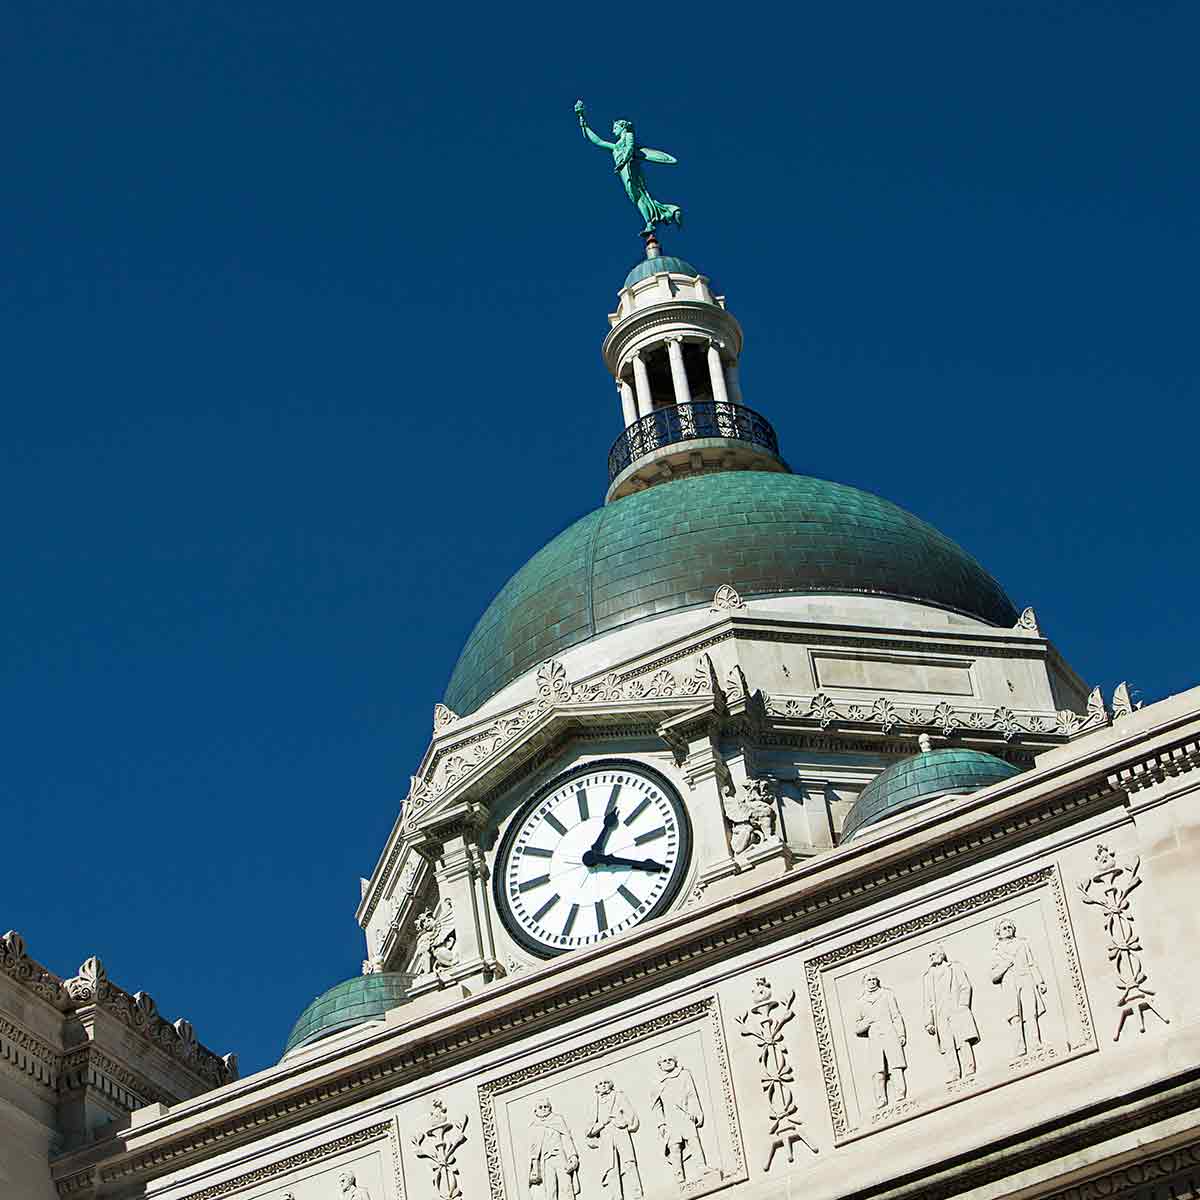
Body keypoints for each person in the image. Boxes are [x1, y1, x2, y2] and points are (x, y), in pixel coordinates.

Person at [574, 101, 683, 235]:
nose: (613, 130)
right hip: (623, 171)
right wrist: (583, 122)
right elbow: (598, 141)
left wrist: (623, 162)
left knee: (640, 194)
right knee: (637, 197)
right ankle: (659, 217)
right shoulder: (615, 147)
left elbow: (630, 149)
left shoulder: (628, 135)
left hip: (629, 167)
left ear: (622, 127)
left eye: (615, 127)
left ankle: (664, 213)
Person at [990, 918, 1047, 1057]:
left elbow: (1032, 963)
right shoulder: (996, 950)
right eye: (1004, 928)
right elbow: (994, 976)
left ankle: (1036, 1043)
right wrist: (1005, 965)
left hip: (1026, 979)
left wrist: (1040, 982)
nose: (1008, 929)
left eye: (1010, 927)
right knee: (1015, 1017)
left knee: (1031, 1014)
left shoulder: (1022, 943)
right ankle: (1020, 1048)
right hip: (1009, 983)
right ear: (998, 932)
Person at [922, 946, 980, 1081]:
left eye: (934, 953)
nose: (932, 957)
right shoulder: (928, 976)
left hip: (956, 1010)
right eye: (930, 955)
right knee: (948, 1044)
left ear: (942, 954)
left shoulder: (954, 967)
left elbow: (965, 986)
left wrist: (963, 1005)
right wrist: (929, 1022)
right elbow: (927, 1001)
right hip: (940, 1014)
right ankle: (954, 1073)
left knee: (963, 1041)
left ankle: (969, 1068)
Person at [853, 972, 907, 1109]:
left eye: (874, 979)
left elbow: (896, 1015)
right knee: (877, 1071)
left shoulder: (887, 994)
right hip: (874, 1038)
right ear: (864, 983)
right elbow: (857, 1028)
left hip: (890, 1033)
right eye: (869, 980)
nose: (872, 982)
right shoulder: (861, 1002)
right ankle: (881, 1099)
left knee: (896, 1066)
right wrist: (867, 1023)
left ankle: (901, 1093)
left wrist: (901, 1034)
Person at [650, 1055, 708, 1183]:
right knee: (674, 1147)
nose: (668, 1062)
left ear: (675, 1061)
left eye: (670, 1059)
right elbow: (656, 1106)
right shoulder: (657, 1082)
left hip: (685, 1114)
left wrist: (696, 1112)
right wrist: (661, 1124)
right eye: (664, 1060)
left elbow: (692, 1094)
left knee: (693, 1141)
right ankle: (679, 1177)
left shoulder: (684, 1074)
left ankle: (701, 1166)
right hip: (670, 1118)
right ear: (660, 1065)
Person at [586, 1079, 643, 1199]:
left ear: (610, 1084)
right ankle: (617, 1197)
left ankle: (637, 1194)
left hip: (620, 1131)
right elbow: (589, 1131)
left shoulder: (618, 1095)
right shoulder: (595, 1102)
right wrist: (602, 1123)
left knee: (629, 1163)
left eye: (605, 1083)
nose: (603, 1086)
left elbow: (631, 1116)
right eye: (600, 1084)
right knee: (611, 1168)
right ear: (597, 1087)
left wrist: (623, 1122)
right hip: (605, 1135)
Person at [528, 1099, 580, 1200]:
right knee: (550, 1189)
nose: (543, 1109)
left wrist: (572, 1156)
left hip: (560, 1157)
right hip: (546, 1161)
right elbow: (533, 1150)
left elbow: (566, 1139)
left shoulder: (558, 1120)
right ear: (535, 1111)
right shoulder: (534, 1126)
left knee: (566, 1186)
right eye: (540, 1107)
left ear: (550, 1108)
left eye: (546, 1106)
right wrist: (534, 1167)